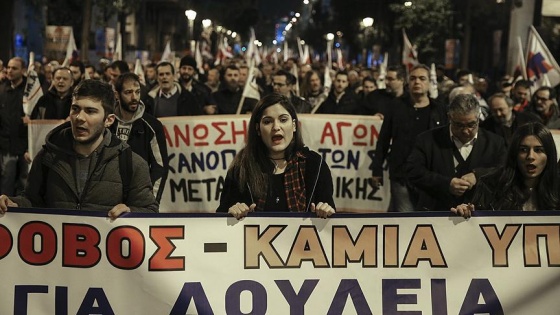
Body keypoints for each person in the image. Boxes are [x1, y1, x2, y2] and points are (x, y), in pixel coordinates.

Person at [0, 79, 158, 218]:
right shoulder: (48, 157)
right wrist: (13, 204)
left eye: (90, 111)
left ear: (109, 120)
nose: (79, 117)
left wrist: (132, 212)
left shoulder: (131, 163)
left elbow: (149, 211)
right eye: (75, 109)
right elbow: (32, 200)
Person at [217, 93, 336, 219]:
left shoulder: (315, 164)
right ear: (258, 129)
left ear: (294, 125)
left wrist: (326, 211)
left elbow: (330, 223)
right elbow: (219, 221)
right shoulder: (241, 167)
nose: (276, 127)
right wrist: (231, 212)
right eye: (267, 121)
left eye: (283, 120)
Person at [407, 94, 507, 212]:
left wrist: (478, 175)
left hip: (479, 215)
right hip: (436, 214)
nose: (465, 131)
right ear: (449, 117)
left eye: (471, 125)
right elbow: (413, 171)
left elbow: (504, 171)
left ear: (478, 118)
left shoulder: (495, 142)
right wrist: (446, 184)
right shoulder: (427, 140)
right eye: (459, 125)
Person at [371, 64, 447, 212]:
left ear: (429, 83)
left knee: (420, 218)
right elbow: (384, 139)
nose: (417, 82)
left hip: (429, 176)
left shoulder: (439, 110)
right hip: (401, 173)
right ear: (408, 82)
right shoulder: (396, 106)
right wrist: (377, 170)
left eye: (422, 78)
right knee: (405, 218)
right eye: (413, 78)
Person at [451, 122, 558, 218]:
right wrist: (466, 212)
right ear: (514, 154)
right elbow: (477, 224)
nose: (530, 156)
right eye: (523, 150)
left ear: (549, 154)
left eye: (538, 150)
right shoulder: (491, 186)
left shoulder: (557, 188)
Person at [111, 73, 169, 203]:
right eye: (128, 92)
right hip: (107, 198)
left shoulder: (152, 125)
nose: (134, 97)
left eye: (137, 92)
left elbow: (160, 167)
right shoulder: (106, 122)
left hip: (139, 199)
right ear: (117, 95)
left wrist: (150, 202)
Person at [0, 57, 30, 196]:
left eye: (14, 68)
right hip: (7, 145)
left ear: (23, 70)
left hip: (25, 146)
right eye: (9, 67)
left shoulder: (29, 91)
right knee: (7, 180)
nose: (10, 71)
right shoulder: (2, 90)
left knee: (25, 181)